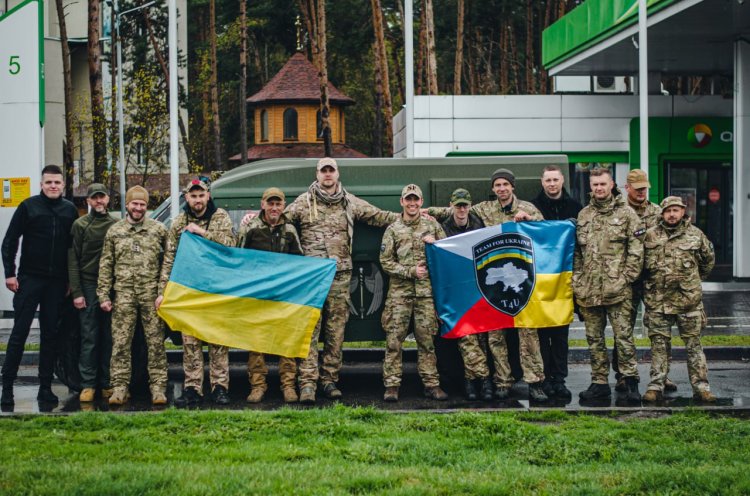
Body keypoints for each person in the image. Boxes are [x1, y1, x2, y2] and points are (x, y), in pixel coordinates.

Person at [428, 168, 548, 401]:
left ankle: (535, 382)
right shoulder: (484, 209)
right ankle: (503, 381)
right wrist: (426, 212)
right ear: (493, 189)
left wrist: (530, 221)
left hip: (522, 282)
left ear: (513, 186)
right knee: (495, 335)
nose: (501, 188)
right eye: (497, 185)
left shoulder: (528, 209)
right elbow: (456, 210)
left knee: (529, 334)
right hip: (495, 283)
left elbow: (544, 235)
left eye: (505, 184)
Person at [286, 157, 398, 404]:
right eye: (323, 171)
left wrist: (415, 216)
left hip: (340, 276)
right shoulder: (303, 203)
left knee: (335, 331)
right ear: (317, 174)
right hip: (312, 277)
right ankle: (307, 383)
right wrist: (253, 218)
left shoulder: (349, 202)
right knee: (310, 330)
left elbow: (379, 216)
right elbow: (279, 220)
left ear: (337, 174)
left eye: (331, 170)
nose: (327, 175)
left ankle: (329, 380)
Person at [1, 165, 78, 407]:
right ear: (41, 184)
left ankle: (45, 388)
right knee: (19, 335)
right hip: (30, 279)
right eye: (48, 183)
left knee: (50, 336)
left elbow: (73, 249)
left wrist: (69, 280)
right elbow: (10, 241)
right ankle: (7, 388)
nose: (53, 186)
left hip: (56, 283)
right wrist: (10, 274)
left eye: (57, 183)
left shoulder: (69, 210)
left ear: (63, 185)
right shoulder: (29, 207)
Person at [157, 178, 236, 407]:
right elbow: (169, 259)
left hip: (216, 289)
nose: (198, 200)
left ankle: (220, 387)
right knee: (190, 343)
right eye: (193, 196)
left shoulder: (220, 216)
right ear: (187, 198)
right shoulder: (179, 222)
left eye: (201, 195)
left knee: (218, 341)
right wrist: (163, 292)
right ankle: (193, 388)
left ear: (208, 196)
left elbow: (230, 245)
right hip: (190, 290)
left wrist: (201, 232)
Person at [574, 167, 644, 403]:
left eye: (603, 184)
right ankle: (599, 382)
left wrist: (626, 278)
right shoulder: (583, 215)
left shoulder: (627, 215)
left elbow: (636, 250)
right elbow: (577, 253)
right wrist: (577, 279)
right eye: (595, 185)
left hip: (618, 289)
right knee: (594, 339)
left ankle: (630, 381)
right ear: (591, 187)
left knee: (623, 337)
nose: (599, 188)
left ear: (612, 184)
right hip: (589, 290)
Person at [98, 186, 168, 406]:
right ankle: (119, 388)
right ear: (127, 205)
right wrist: (103, 295)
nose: (138, 208)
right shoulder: (115, 231)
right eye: (134, 204)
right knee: (120, 343)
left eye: (142, 204)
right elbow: (106, 263)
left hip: (151, 295)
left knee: (155, 343)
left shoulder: (158, 230)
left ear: (147, 207)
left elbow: (167, 263)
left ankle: (158, 388)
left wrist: (162, 292)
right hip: (124, 294)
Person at [642, 196, 716, 403]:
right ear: (662, 213)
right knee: (658, 346)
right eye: (668, 211)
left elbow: (708, 260)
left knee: (694, 346)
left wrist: (693, 281)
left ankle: (701, 387)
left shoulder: (695, 234)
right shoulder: (650, 236)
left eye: (676, 210)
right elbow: (641, 266)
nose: (672, 214)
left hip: (688, 302)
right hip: (658, 301)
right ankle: (656, 385)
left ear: (683, 212)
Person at [380, 184, 448, 402]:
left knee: (427, 341)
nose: (412, 203)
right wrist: (409, 271)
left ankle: (431, 384)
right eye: (408, 199)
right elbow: (385, 261)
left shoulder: (432, 225)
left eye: (415, 199)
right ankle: (392, 385)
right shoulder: (393, 229)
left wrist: (435, 244)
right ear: (402, 202)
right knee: (394, 341)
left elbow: (447, 251)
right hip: (399, 296)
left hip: (425, 295)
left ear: (421, 202)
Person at [612, 169, 676, 393]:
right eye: (637, 188)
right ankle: (623, 374)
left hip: (652, 279)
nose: (641, 192)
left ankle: (661, 374)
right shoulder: (618, 211)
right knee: (623, 329)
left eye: (644, 188)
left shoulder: (657, 212)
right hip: (626, 279)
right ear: (627, 187)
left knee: (660, 329)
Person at [238, 187, 303, 404]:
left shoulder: (290, 230)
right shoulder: (251, 228)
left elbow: (300, 262)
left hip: (284, 297)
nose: (274, 208)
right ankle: (258, 385)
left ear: (283, 206)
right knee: (257, 341)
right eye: (270, 203)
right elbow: (239, 259)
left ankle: (288, 386)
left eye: (278, 204)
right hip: (258, 296)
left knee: (286, 341)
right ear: (263, 204)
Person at [530, 165, 582, 401]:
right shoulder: (532, 208)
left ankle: (559, 380)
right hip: (539, 281)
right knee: (541, 336)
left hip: (564, 280)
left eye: (556, 179)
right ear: (542, 182)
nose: (552, 184)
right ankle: (544, 378)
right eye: (548, 180)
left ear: (562, 181)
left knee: (560, 336)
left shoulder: (576, 208)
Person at [440, 188, 493, 401]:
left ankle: (474, 381)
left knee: (481, 337)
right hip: (455, 289)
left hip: (478, 287)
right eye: (458, 205)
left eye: (465, 205)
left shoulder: (479, 224)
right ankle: (480, 379)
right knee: (466, 335)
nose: (461, 209)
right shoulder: (443, 228)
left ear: (470, 206)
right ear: (451, 205)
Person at [68, 183, 117, 403]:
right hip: (87, 286)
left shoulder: (117, 225)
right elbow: (73, 259)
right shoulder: (80, 225)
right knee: (89, 336)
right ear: (88, 201)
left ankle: (107, 383)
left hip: (111, 288)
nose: (99, 201)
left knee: (110, 336)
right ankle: (87, 384)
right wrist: (77, 292)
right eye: (94, 198)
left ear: (108, 200)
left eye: (102, 197)